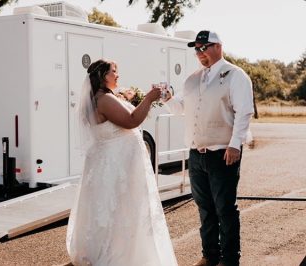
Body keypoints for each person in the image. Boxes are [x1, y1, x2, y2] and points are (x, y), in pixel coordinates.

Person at [66, 59, 178, 266]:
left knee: (115, 212)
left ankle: (112, 250)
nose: (118, 75)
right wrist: (150, 98)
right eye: (114, 72)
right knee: (121, 211)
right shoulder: (104, 100)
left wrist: (127, 98)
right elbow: (132, 120)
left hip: (113, 163)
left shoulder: (103, 98)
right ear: (102, 76)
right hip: (116, 167)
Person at [168, 31, 254, 266]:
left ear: (219, 47)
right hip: (197, 154)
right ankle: (210, 255)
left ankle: (229, 259)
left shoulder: (236, 75)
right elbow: (182, 109)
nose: (200, 53)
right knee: (205, 208)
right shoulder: (193, 79)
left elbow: (244, 111)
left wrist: (235, 145)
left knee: (225, 208)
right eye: (196, 49)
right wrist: (166, 98)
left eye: (204, 47)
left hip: (223, 152)